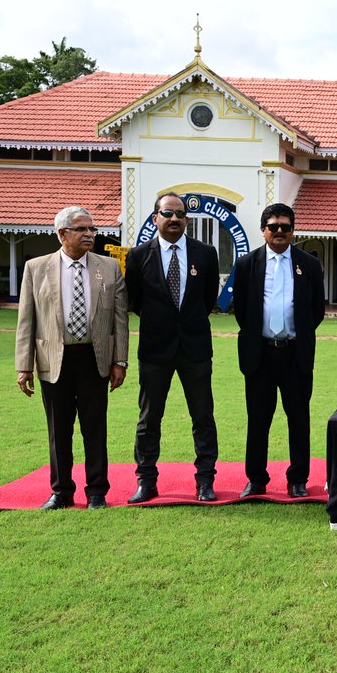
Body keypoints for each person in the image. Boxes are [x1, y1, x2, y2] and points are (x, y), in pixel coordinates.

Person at [15, 206, 129, 509]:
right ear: (62, 233)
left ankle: (96, 493)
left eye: (92, 229)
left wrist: (120, 361)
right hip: (54, 361)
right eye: (82, 229)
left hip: (95, 359)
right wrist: (24, 366)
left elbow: (120, 320)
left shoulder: (109, 267)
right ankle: (61, 491)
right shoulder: (36, 268)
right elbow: (27, 319)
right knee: (58, 431)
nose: (90, 234)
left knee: (95, 429)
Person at [124, 193, 220, 503]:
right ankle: (146, 481)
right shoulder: (138, 256)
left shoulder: (206, 254)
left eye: (180, 214)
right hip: (155, 349)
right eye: (168, 213)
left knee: (203, 416)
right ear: (156, 218)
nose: (174, 219)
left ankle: (205, 481)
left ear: (187, 220)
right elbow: (135, 301)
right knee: (149, 418)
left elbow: (207, 300)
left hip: (195, 348)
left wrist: (184, 322)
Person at [232, 203, 325, 498]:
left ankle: (298, 478)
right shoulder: (247, 264)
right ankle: (256, 479)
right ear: (264, 231)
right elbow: (243, 311)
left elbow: (316, 311)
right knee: (258, 419)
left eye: (285, 226)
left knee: (298, 417)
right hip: (259, 353)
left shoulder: (309, 264)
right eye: (274, 226)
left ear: (293, 230)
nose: (280, 231)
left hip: (295, 353)